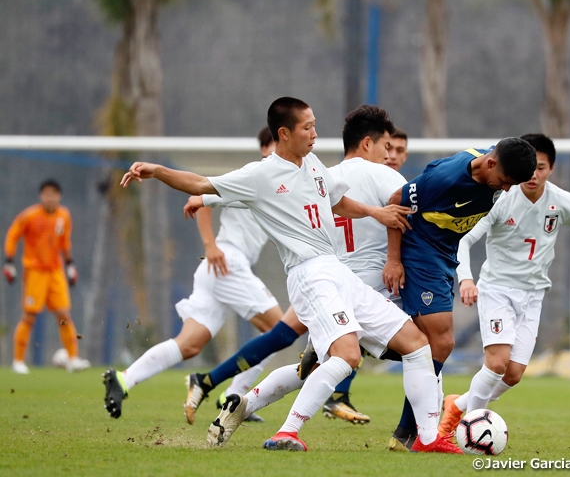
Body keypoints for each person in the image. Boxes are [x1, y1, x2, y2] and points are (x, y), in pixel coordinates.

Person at [121, 96, 460, 454]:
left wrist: (376, 213)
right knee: (345, 356)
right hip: (308, 275)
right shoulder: (261, 174)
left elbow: (337, 201)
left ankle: (426, 439)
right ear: (284, 133)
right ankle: (287, 432)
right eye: (307, 127)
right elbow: (199, 183)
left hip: (337, 271)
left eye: (315, 125)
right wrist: (157, 171)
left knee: (416, 343)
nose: (315, 133)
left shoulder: (312, 163)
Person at [184, 110, 411, 427]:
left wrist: (207, 200)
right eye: (388, 147)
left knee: (287, 342)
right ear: (367, 143)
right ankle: (340, 407)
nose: (392, 156)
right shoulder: (382, 178)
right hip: (348, 282)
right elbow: (406, 213)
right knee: (411, 347)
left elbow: (277, 199)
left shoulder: (322, 173)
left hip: (323, 278)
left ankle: (218, 387)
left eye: (399, 151)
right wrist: (395, 257)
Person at [437, 134, 570, 439]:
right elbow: (466, 240)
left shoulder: (562, 202)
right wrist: (466, 278)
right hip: (497, 290)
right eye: (529, 168)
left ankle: (457, 405)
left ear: (551, 169)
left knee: (513, 374)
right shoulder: (501, 199)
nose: (533, 175)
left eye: (541, 168)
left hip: (533, 295)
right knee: (496, 364)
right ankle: (466, 432)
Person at [102, 127, 285, 420]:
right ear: (265, 148)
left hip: (219, 270)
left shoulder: (279, 183)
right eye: (274, 144)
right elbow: (202, 194)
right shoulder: (252, 176)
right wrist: (210, 245)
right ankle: (232, 395)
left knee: (189, 344)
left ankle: (123, 379)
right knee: (280, 330)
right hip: (227, 262)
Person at [382, 136, 537, 451]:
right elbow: (396, 199)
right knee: (441, 342)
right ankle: (411, 433)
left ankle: (409, 428)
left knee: (427, 343)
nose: (506, 189)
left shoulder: (495, 165)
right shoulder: (447, 179)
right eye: (505, 182)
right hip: (421, 254)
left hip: (444, 256)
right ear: (490, 164)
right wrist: (394, 259)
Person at [3, 179, 90, 374]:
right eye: (47, 194)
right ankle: (18, 361)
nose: (50, 198)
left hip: (55, 271)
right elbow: (13, 235)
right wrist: (9, 261)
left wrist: (70, 264)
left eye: (54, 194)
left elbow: (64, 242)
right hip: (35, 271)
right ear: (41, 196)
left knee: (64, 315)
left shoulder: (64, 216)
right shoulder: (29, 216)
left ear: (59, 196)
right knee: (29, 316)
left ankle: (73, 359)